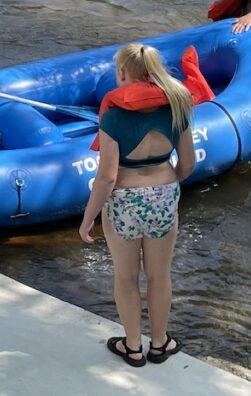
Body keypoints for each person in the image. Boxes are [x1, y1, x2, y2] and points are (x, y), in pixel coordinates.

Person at [78, 43, 196, 367]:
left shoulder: (114, 116)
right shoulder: (177, 107)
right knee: (159, 276)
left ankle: (132, 347)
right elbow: (187, 163)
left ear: (122, 72)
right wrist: (168, 187)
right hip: (163, 193)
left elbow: (106, 178)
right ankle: (160, 344)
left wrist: (87, 219)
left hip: (124, 201)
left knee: (126, 277)